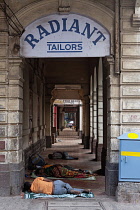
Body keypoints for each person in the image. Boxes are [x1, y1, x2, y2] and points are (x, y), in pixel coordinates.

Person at [22, 177, 91, 195]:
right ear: (30, 182)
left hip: (55, 191)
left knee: (67, 191)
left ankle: (71, 190)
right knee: (66, 184)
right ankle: (73, 189)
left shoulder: (33, 191)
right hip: (55, 184)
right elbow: (46, 179)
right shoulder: (36, 180)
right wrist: (52, 182)